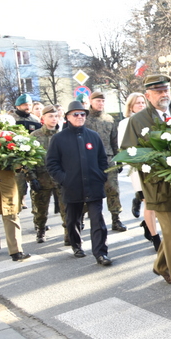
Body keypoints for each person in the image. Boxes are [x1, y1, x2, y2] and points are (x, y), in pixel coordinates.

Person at [121, 74, 171, 304]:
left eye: (165, 90)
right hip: (158, 187)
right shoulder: (138, 121)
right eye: (158, 91)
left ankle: (161, 265)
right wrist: (152, 164)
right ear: (148, 95)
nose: (163, 94)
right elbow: (128, 153)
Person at [47, 101, 112, 266]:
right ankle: (76, 245)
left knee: (98, 220)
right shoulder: (58, 138)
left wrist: (100, 176)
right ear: (68, 117)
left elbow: (102, 160)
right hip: (72, 186)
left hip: (93, 185)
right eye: (75, 114)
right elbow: (52, 164)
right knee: (73, 219)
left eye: (82, 114)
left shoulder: (93, 136)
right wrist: (64, 179)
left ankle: (100, 253)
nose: (79, 117)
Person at [119, 92, 160, 251]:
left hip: (156, 167)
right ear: (130, 107)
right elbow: (125, 148)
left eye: (143, 103)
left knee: (156, 203)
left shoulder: (150, 120)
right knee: (149, 203)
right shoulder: (125, 123)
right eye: (138, 103)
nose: (141, 106)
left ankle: (146, 223)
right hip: (139, 169)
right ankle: (155, 237)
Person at [85, 91, 126, 232]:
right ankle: (83, 219)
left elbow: (114, 141)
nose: (100, 103)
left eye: (102, 101)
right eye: (97, 101)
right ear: (91, 101)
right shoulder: (84, 119)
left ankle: (116, 219)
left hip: (108, 160)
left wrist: (119, 159)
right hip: (90, 161)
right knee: (89, 191)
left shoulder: (109, 119)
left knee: (113, 190)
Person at [29, 105, 66, 243]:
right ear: (43, 118)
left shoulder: (62, 136)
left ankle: (69, 234)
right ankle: (40, 230)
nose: (54, 119)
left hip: (60, 179)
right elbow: (29, 159)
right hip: (42, 178)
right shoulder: (35, 136)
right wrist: (32, 178)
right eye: (50, 116)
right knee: (40, 209)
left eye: (56, 116)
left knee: (66, 208)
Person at [10, 93, 41, 210]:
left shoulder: (35, 119)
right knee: (19, 185)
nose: (27, 107)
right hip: (17, 156)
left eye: (29, 104)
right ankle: (16, 207)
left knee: (37, 186)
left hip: (32, 157)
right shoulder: (12, 119)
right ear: (18, 106)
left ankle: (37, 216)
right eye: (24, 105)